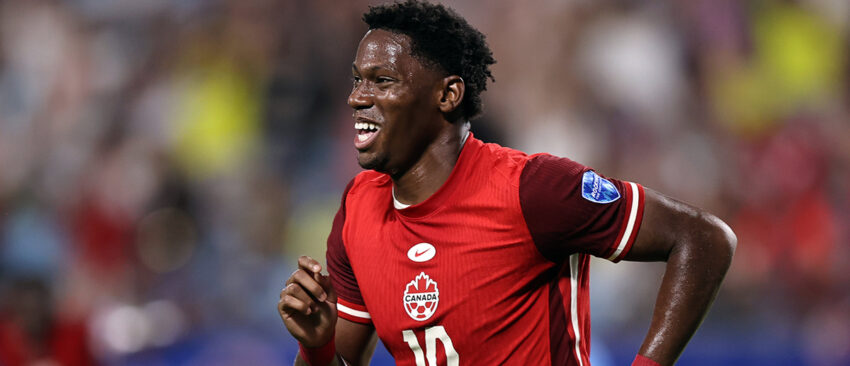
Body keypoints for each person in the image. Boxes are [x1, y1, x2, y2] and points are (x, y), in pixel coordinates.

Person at [277, 1, 736, 365]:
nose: (358, 96)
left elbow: (703, 238)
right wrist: (317, 348)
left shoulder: (533, 189)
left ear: (447, 94)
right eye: (358, 80)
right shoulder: (358, 208)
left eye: (382, 80)